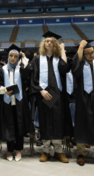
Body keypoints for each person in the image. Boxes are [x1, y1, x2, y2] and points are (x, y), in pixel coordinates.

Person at [30, 31, 73, 163]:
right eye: (47, 41)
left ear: (55, 44)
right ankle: (46, 151)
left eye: (52, 41)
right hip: (44, 95)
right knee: (45, 121)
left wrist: (63, 51)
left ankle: (59, 152)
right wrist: (40, 90)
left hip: (57, 94)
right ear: (44, 43)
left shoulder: (58, 58)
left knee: (58, 121)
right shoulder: (37, 59)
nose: (49, 43)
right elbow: (33, 78)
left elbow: (65, 69)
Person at [0, 44, 32, 161]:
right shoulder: (2, 70)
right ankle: (10, 150)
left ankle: (18, 150)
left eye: (16, 56)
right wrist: (3, 89)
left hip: (19, 102)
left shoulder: (21, 69)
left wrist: (24, 58)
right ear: (8, 56)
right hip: (7, 102)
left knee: (18, 126)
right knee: (8, 127)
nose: (13, 58)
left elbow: (28, 75)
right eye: (11, 56)